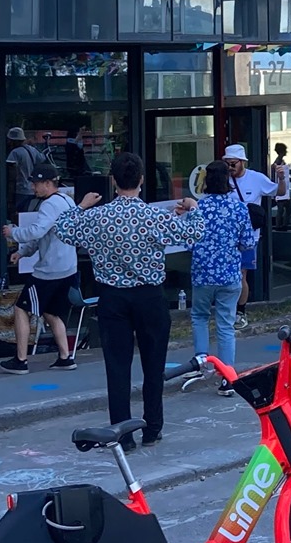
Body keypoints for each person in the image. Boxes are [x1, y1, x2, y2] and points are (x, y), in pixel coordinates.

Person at [50, 154, 203, 447]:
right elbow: (193, 232)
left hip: (112, 297)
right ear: (142, 180)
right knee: (153, 366)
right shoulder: (155, 216)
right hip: (150, 296)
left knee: (117, 368)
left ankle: (122, 434)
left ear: (113, 181)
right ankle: (153, 427)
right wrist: (192, 208)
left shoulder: (97, 217)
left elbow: (64, 229)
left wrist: (81, 206)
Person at [1, 163, 79, 373]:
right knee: (51, 312)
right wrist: (23, 252)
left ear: (47, 183)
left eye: (36, 183)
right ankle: (65, 357)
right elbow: (45, 235)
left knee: (22, 308)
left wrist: (13, 232)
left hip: (49, 272)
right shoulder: (67, 200)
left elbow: (36, 231)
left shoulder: (49, 204)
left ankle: (21, 360)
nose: (33, 187)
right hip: (68, 268)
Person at [190, 161, 256, 385]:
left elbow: (189, 241)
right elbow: (247, 243)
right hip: (229, 275)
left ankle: (200, 364)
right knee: (225, 325)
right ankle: (227, 377)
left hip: (202, 274)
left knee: (200, 317)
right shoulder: (239, 208)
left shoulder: (199, 208)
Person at [224, 143, 278, 325]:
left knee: (241, 275)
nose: (230, 168)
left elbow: (279, 191)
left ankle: (240, 311)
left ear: (242, 162)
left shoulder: (256, 178)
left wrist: (281, 178)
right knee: (228, 275)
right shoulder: (223, 180)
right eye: (227, 164)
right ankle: (229, 310)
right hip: (227, 237)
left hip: (249, 237)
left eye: (233, 164)